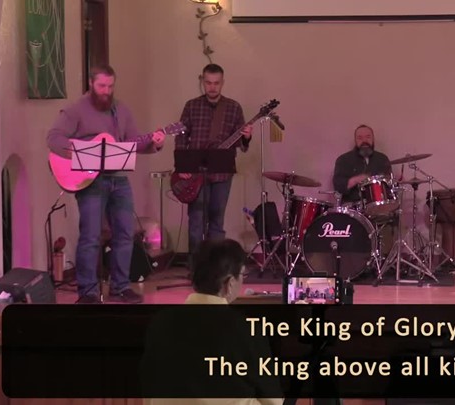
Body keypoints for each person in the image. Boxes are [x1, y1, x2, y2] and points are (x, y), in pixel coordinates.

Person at [47, 65, 165, 304]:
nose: (106, 91)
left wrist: (155, 142)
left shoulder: (121, 110)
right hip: (90, 181)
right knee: (90, 236)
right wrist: (79, 151)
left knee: (125, 234)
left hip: (119, 179)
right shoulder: (76, 110)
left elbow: (133, 142)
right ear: (91, 83)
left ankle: (121, 286)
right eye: (102, 86)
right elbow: (54, 138)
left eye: (110, 86)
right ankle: (88, 291)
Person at [142, 238, 283, 404]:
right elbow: (274, 401)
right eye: (242, 275)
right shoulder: (246, 329)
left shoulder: (159, 323)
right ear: (230, 283)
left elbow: (148, 389)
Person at [175, 63, 252, 258]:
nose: (212, 87)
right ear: (203, 81)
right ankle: (196, 267)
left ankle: (216, 267)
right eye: (208, 82)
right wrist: (182, 167)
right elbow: (181, 137)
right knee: (196, 221)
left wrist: (247, 137)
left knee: (217, 222)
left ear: (222, 83)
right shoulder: (191, 106)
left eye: (216, 83)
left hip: (222, 173)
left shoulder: (233, 108)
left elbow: (241, 143)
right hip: (196, 174)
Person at [332, 124, 393, 206]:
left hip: (378, 206)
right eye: (360, 138)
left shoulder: (382, 159)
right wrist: (355, 180)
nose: (364, 140)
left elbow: (389, 184)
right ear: (355, 140)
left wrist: (395, 182)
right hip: (352, 207)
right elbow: (338, 185)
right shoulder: (343, 160)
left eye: (368, 137)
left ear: (373, 139)